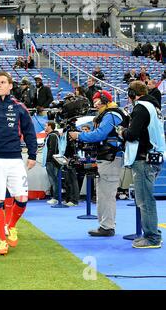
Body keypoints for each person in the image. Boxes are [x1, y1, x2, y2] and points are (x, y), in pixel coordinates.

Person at [0, 71, 38, 255]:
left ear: (10, 85)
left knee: (22, 199)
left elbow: (29, 132)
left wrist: (32, 155)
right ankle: (2, 240)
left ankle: (10, 226)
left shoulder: (20, 107)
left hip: (15, 159)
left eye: (3, 82)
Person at [69, 90, 128, 236]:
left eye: (97, 101)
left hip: (111, 158)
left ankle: (107, 227)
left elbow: (100, 134)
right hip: (107, 157)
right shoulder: (109, 114)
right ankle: (105, 225)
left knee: (106, 194)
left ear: (104, 100)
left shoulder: (111, 115)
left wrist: (80, 135)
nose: (95, 104)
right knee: (102, 193)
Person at [118, 81, 164, 249]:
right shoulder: (154, 107)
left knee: (145, 200)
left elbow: (132, 135)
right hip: (154, 156)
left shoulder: (141, 107)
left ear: (132, 94)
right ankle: (152, 235)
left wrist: (122, 131)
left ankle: (152, 237)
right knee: (146, 199)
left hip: (144, 159)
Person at [42, 121, 60, 205]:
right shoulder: (51, 135)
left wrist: (49, 159)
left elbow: (52, 149)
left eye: (45, 126)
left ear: (50, 126)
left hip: (52, 161)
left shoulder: (53, 136)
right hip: (51, 160)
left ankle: (55, 197)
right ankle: (55, 197)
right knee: (53, 180)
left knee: (54, 180)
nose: (44, 127)